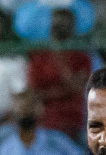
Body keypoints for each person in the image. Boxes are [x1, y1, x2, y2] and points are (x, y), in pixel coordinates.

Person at [27, 8, 92, 140]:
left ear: (72, 28)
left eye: (64, 25)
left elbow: (77, 87)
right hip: (44, 123)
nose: (58, 28)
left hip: (73, 122)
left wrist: (60, 58)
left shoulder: (82, 57)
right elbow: (33, 91)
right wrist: (62, 91)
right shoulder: (39, 56)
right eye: (56, 24)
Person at [0, 91, 81, 155]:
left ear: (39, 111)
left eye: (29, 108)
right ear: (13, 114)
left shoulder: (57, 141)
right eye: (21, 110)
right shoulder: (5, 148)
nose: (25, 113)